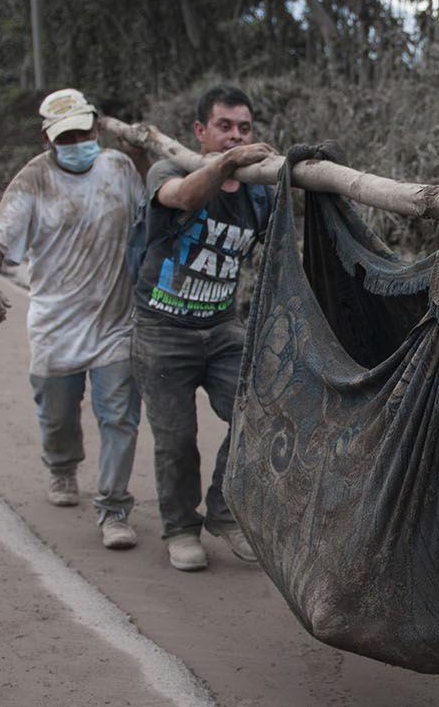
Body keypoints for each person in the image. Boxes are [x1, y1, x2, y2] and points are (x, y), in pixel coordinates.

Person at [0, 88, 144, 550]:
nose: (76, 142)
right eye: (65, 136)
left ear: (96, 128)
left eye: (82, 132)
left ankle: (113, 508)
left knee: (120, 417)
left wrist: (142, 155)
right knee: (58, 416)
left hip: (115, 323)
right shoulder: (34, 179)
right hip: (56, 325)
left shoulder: (119, 168)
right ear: (48, 140)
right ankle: (62, 465)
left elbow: (154, 212)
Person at [130, 84, 274, 572]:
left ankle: (225, 512)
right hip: (161, 332)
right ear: (200, 131)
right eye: (224, 127)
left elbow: (280, 252)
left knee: (258, 414)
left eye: (244, 128)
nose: (235, 136)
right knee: (175, 440)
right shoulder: (171, 168)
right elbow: (184, 196)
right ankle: (181, 529)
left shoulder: (259, 194)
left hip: (220, 329)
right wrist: (225, 164)